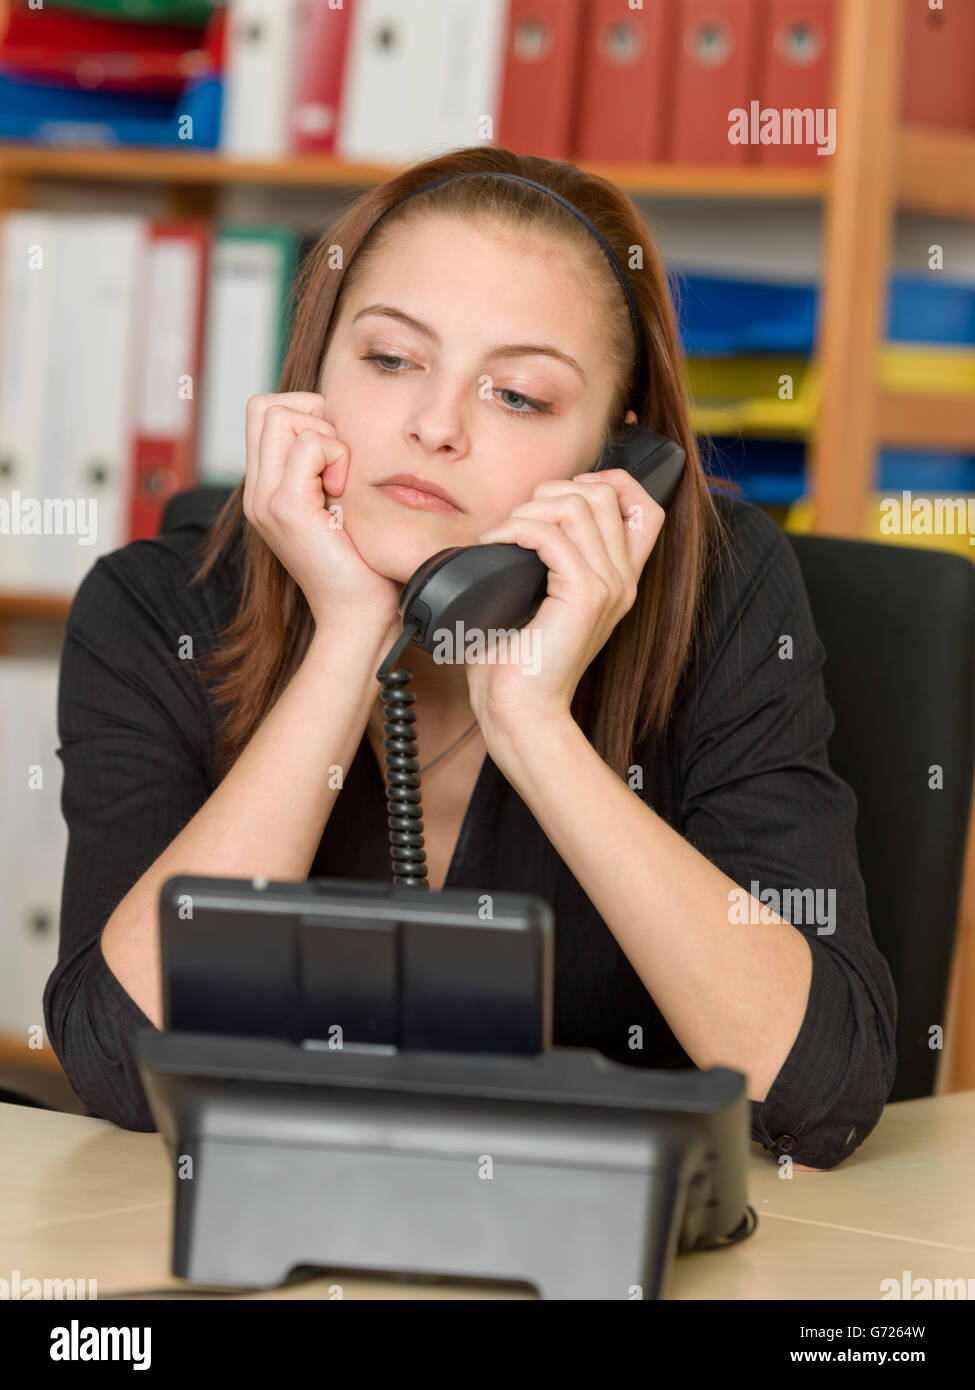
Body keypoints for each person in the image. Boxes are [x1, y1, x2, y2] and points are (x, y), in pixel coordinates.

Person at [45, 146, 896, 1169]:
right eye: (391, 359)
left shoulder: (718, 597)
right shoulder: (155, 609)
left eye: (519, 396)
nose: (434, 426)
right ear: (315, 375)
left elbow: (826, 1094)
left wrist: (534, 725)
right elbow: (114, 1063)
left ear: (617, 463)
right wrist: (350, 636)